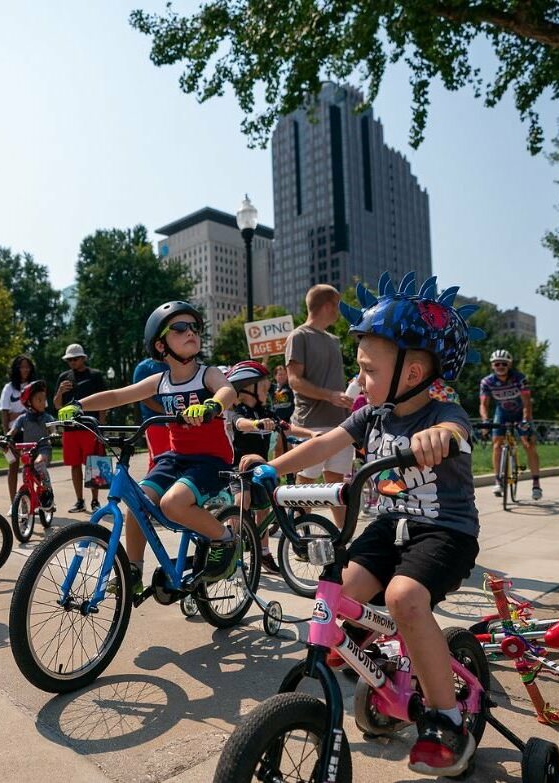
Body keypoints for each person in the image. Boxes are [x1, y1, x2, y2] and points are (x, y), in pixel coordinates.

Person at [241, 272, 484, 777]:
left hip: (444, 532)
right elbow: (322, 445)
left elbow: (457, 429)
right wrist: (270, 470)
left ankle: (445, 718)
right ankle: (374, 661)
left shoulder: (444, 412)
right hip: (390, 526)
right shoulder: (370, 416)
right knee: (340, 594)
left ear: (413, 373)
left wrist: (439, 437)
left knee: (402, 598)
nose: (359, 381)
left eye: (368, 371)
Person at [70, 301, 239, 590]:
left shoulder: (206, 373)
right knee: (136, 503)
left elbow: (228, 390)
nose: (191, 332)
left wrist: (213, 404)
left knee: (172, 504)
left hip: (211, 460)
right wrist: (77, 406)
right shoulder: (160, 381)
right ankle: (133, 572)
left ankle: (225, 539)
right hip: (175, 458)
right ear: (161, 346)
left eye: (195, 328)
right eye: (180, 328)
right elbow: (115, 396)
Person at [225, 360, 313, 574]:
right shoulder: (240, 411)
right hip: (240, 469)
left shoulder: (265, 411)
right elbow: (239, 424)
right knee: (242, 502)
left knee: (265, 508)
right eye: (264, 387)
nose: (268, 391)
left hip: (261, 469)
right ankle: (229, 547)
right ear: (248, 388)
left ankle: (263, 552)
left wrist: (311, 434)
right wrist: (255, 425)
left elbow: (287, 427)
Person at [284, 284, 354, 527]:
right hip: (311, 425)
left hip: (340, 424)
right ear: (327, 305)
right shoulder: (299, 336)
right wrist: (330, 396)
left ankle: (344, 539)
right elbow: (294, 381)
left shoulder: (334, 340)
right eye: (337, 305)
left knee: (337, 482)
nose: (339, 312)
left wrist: (347, 395)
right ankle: (301, 536)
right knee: (306, 483)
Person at [479, 349, 542, 500]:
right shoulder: (487, 382)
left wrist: (526, 421)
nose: (500, 366)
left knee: (529, 444)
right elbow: (483, 404)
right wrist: (485, 420)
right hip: (502, 413)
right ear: (492, 366)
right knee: (496, 445)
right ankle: (498, 481)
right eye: (497, 364)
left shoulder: (520, 379)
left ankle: (536, 484)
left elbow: (527, 402)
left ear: (509, 365)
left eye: (504, 364)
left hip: (521, 413)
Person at [53, 344, 106, 513]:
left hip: (90, 426)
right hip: (70, 428)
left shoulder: (95, 376)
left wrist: (101, 427)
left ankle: (95, 501)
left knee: (93, 465)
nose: (72, 362)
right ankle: (79, 501)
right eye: (69, 360)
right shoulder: (64, 377)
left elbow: (104, 403)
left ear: (83, 358)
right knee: (74, 465)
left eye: (75, 359)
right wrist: (60, 391)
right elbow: (57, 405)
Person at [7, 380, 56, 510]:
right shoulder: (23, 418)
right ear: (29, 402)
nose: (43, 402)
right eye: (39, 399)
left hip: (43, 449)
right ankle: (25, 501)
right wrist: (6, 437)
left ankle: (47, 491)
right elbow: (13, 431)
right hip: (28, 451)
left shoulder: (47, 417)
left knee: (39, 463)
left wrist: (54, 434)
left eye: (44, 399)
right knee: (26, 476)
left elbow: (53, 429)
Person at [0, 355, 35, 510]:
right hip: (14, 433)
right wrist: (7, 435)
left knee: (31, 468)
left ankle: (30, 502)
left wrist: (17, 414)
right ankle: (14, 503)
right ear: (16, 369)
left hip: (31, 431)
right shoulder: (9, 388)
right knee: (13, 466)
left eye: (27, 366)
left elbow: (39, 408)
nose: (24, 369)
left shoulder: (35, 386)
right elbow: (5, 412)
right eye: (21, 366)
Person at [132, 356, 169, 470]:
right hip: (156, 422)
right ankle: (151, 487)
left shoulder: (176, 364)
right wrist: (166, 411)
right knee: (158, 461)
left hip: (177, 422)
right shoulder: (144, 367)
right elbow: (144, 397)